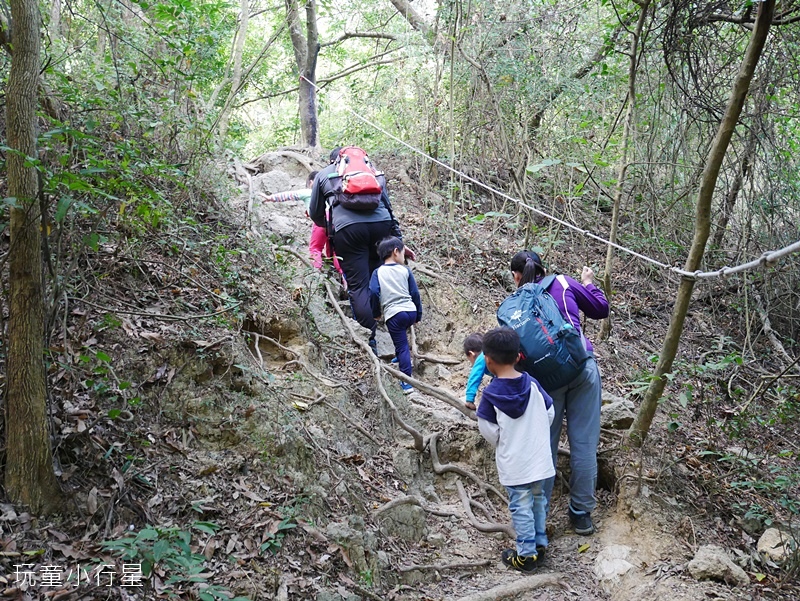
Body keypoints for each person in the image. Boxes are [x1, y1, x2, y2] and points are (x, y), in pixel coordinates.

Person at [509, 251, 609, 535]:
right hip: (582, 370)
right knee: (584, 446)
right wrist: (589, 282)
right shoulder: (563, 283)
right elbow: (601, 309)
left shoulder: (516, 307)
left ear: (517, 276)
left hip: (547, 382)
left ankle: (539, 520)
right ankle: (581, 515)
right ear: (543, 268)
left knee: (545, 448)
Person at [309, 147, 415, 354]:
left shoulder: (324, 175)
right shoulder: (373, 172)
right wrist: (398, 242)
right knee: (377, 275)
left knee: (358, 285)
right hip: (382, 227)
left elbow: (315, 213)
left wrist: (333, 225)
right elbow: (388, 209)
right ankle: (389, 324)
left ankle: (370, 337)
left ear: (335, 160)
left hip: (348, 231)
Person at [476, 327, 555, 572]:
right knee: (538, 500)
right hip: (539, 459)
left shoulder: (490, 395)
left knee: (520, 505)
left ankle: (526, 556)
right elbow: (549, 413)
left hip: (515, 463)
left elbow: (489, 430)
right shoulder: (532, 384)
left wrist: (506, 437)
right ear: (518, 355)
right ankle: (540, 544)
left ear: (488, 360)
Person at [262, 171, 343, 277]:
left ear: (311, 183)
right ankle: (344, 277)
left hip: (321, 222)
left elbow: (289, 195)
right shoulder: (329, 192)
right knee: (334, 251)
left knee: (315, 248)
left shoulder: (309, 192)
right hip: (335, 221)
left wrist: (271, 198)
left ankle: (316, 274)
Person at [369, 237, 422, 394]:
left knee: (402, 345)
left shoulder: (378, 272)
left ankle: (407, 383)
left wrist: (376, 313)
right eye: (403, 252)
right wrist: (418, 314)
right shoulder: (405, 270)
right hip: (410, 311)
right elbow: (415, 293)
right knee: (402, 340)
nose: (403, 256)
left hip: (394, 314)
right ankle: (399, 357)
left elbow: (373, 292)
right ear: (395, 252)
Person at [462, 332, 491, 411]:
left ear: (471, 354)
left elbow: (475, 376)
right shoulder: (492, 352)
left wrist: (469, 399)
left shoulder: (482, 357)